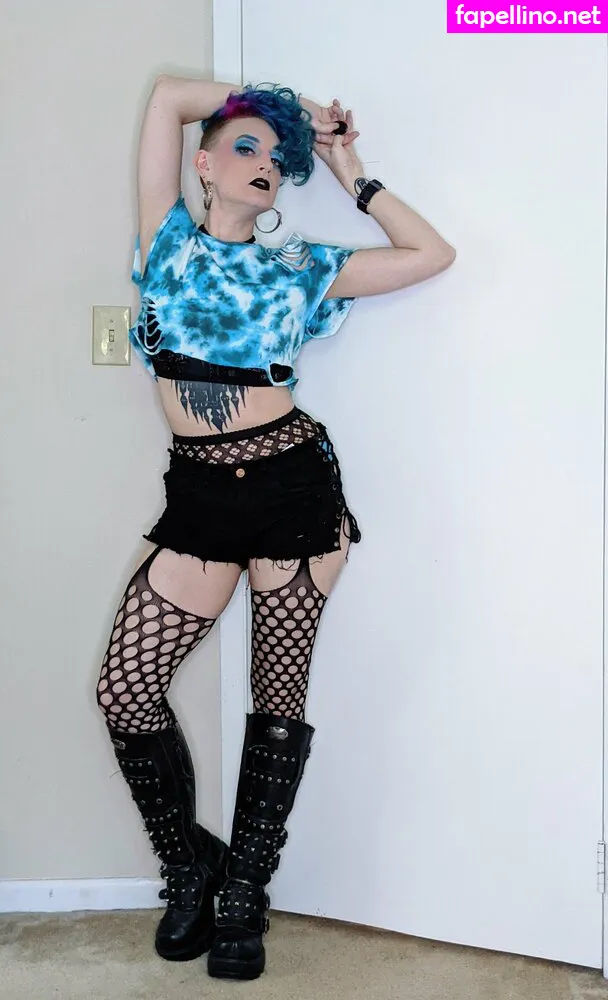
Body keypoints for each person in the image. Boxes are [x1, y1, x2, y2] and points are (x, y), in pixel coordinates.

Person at [95, 74, 456, 982]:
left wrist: (346, 164)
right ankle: (191, 867)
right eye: (244, 147)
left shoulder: (301, 268)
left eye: (275, 155)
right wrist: (287, 108)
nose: (263, 163)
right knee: (126, 689)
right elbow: (169, 99)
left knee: (277, 693)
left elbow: (431, 253)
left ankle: (245, 892)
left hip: (291, 485)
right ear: (204, 166)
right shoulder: (167, 240)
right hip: (200, 496)